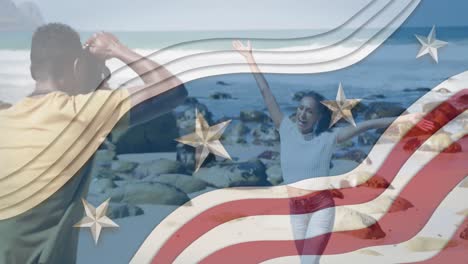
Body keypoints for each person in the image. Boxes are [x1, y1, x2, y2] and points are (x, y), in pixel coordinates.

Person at [232, 40, 434, 263]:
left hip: (321, 207)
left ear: (318, 117)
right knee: (305, 261)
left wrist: (406, 119)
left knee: (309, 261)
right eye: (300, 108)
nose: (302, 114)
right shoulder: (285, 129)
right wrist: (249, 57)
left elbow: (367, 125)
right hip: (296, 208)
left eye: (309, 111)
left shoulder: (328, 138)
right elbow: (265, 92)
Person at [0, 23, 187, 263]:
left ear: (32, 70)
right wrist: (115, 49)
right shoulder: (81, 112)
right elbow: (171, 90)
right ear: (77, 67)